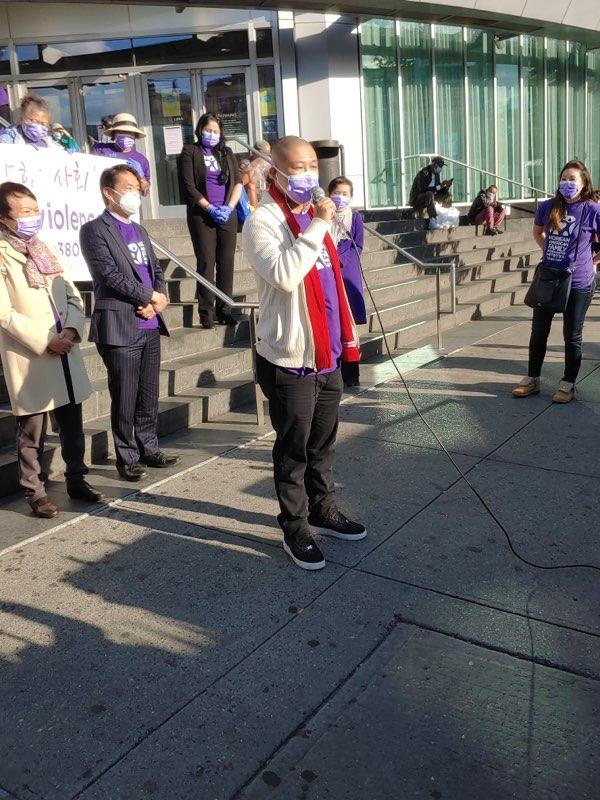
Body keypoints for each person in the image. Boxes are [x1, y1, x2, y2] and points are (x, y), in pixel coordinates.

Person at [242, 135, 366, 571]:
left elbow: (335, 275)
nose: (308, 175)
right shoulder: (263, 221)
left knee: (323, 443)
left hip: (327, 350)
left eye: (312, 165)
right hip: (292, 356)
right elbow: (285, 274)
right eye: (297, 168)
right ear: (275, 172)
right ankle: (295, 528)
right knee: (294, 448)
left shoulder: (320, 216)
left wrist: (337, 223)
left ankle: (322, 508)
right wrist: (317, 225)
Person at [0, 181, 104, 517]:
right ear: (4, 218)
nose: (32, 217)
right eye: (24, 212)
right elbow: (3, 312)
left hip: (65, 351)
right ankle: (35, 491)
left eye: (35, 210)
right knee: (32, 431)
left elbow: (72, 295)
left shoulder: (45, 248)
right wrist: (46, 339)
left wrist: (72, 329)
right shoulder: (2, 254)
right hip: (32, 353)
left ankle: (77, 478)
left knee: (72, 424)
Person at [80, 164, 180, 481]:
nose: (134, 193)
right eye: (127, 187)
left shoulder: (140, 230)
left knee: (148, 394)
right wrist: (149, 296)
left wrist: (159, 297)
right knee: (124, 396)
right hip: (120, 324)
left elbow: (157, 270)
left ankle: (149, 448)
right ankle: (127, 458)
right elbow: (109, 276)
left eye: (136, 187)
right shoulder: (95, 230)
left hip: (149, 323)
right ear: (109, 192)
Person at [512, 160, 600, 404]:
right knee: (538, 331)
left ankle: (567, 384)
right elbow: (537, 232)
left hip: (579, 281)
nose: (567, 183)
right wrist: (549, 250)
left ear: (584, 184)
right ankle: (532, 379)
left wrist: (593, 261)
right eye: (564, 178)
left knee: (572, 335)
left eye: (573, 179)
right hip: (549, 278)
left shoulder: (592, 209)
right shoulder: (549, 206)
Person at [178, 112, 243, 328]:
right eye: (208, 130)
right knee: (206, 261)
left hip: (227, 213)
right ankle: (206, 312)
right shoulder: (190, 151)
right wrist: (209, 207)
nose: (212, 134)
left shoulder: (227, 153)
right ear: (199, 130)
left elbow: (238, 183)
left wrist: (229, 207)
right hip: (202, 214)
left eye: (216, 131)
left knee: (226, 262)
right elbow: (189, 185)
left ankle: (225, 309)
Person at [328, 175, 366, 387]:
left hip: (347, 272)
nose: (340, 197)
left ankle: (352, 376)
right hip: (328, 272)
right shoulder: (323, 214)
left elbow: (358, 245)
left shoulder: (355, 218)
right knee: (333, 321)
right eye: (336, 193)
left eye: (345, 194)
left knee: (349, 325)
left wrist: (341, 259)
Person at [92, 112, 151, 196]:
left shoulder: (141, 160)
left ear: (135, 135)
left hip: (129, 205)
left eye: (130, 132)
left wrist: (141, 177)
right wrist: (72, 156)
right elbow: (86, 168)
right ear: (114, 134)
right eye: (121, 132)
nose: (126, 135)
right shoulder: (100, 149)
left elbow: (145, 192)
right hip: (103, 202)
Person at [0, 94, 68, 151]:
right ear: (22, 119)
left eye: (43, 124)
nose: (38, 127)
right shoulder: (8, 139)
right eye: (33, 121)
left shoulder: (51, 142)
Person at [409, 156, 452, 226]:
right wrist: (440, 186)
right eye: (439, 166)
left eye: (441, 166)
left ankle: (446, 216)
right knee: (429, 194)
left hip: (429, 196)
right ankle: (434, 218)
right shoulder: (424, 173)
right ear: (434, 164)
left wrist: (445, 188)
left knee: (447, 194)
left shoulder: (436, 175)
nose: (440, 168)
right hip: (417, 198)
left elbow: (437, 189)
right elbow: (423, 189)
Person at [243, 140, 272, 208]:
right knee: (251, 184)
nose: (264, 159)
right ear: (254, 153)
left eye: (266, 156)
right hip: (250, 201)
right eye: (262, 156)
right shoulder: (246, 164)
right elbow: (241, 182)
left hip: (265, 198)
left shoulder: (268, 165)